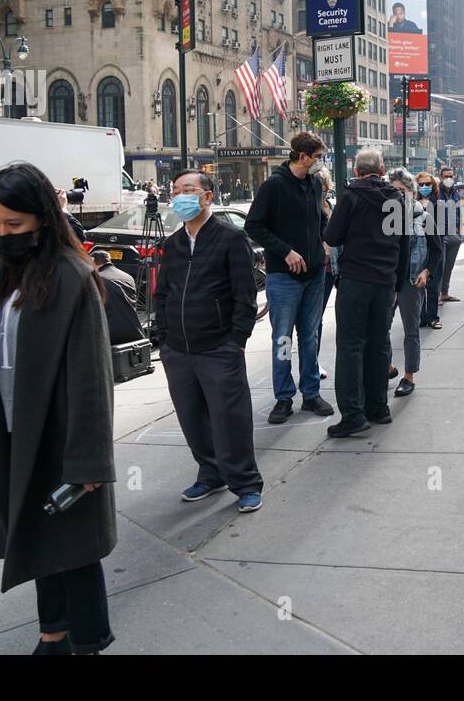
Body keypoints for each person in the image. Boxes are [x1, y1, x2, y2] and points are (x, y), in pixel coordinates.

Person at [0, 162, 117, 655]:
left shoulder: (73, 276)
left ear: (41, 219)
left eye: (14, 224)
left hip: (62, 437)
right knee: (35, 538)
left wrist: (89, 462)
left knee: (74, 549)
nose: (2, 233)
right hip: (14, 435)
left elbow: (92, 377)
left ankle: (88, 641)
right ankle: (52, 633)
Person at [156, 170, 263, 510]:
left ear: (207, 197)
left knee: (230, 419)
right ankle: (210, 472)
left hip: (220, 348)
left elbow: (245, 297)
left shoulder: (231, 239)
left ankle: (245, 482)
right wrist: (164, 339)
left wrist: (236, 341)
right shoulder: (171, 245)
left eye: (189, 190)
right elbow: (161, 295)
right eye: (176, 190)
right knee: (192, 417)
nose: (180, 196)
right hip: (178, 350)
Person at [244, 132, 335, 425]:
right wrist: (286, 252)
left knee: (310, 337)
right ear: (303, 156)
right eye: (318, 157)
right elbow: (253, 226)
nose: (320, 163)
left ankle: (311, 394)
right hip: (284, 276)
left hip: (315, 274)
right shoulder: (273, 186)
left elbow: (319, 220)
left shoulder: (313, 185)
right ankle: (284, 397)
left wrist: (324, 242)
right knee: (283, 338)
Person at [323, 149, 410, 438]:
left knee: (350, 346)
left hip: (356, 279)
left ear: (357, 171)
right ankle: (379, 407)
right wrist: (397, 285)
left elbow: (332, 236)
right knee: (379, 343)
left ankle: (353, 414)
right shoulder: (398, 198)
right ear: (382, 169)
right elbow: (404, 246)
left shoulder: (350, 196)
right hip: (385, 282)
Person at [387, 168, 440, 398]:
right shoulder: (384, 217)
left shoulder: (424, 217)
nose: (396, 195)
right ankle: (387, 367)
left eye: (400, 190)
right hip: (387, 280)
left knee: (411, 330)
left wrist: (426, 272)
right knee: (381, 328)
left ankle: (409, 376)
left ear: (411, 191)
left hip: (411, 280)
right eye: (392, 190)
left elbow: (437, 251)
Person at [91, 249, 145, 345]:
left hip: (110, 334)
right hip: (134, 330)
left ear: (92, 262)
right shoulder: (127, 277)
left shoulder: (97, 279)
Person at [413, 171, 446, 329]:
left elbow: (444, 224)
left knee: (433, 283)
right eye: (421, 184)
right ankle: (421, 317)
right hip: (417, 248)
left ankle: (433, 317)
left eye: (428, 184)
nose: (425, 187)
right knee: (419, 283)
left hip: (435, 246)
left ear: (433, 186)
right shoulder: (412, 203)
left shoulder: (439, 202)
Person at [314, 167, 336, 381]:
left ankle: (314, 361)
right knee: (312, 320)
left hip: (329, 269)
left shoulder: (330, 206)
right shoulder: (306, 205)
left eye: (325, 186)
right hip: (313, 268)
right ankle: (311, 363)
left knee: (317, 318)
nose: (324, 190)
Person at [436, 166, 464, 304]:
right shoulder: (436, 192)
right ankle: (435, 295)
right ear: (441, 177)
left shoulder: (455, 193)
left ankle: (445, 293)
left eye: (451, 176)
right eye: (446, 176)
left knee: (449, 266)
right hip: (441, 234)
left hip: (454, 234)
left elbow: (459, 212)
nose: (449, 179)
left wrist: (459, 233)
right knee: (439, 267)